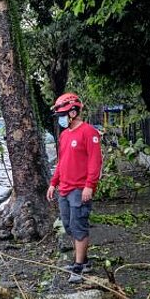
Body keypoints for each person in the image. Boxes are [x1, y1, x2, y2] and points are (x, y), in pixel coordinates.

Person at [46, 93, 103, 284]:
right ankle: (83, 260)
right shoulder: (64, 135)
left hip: (80, 189)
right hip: (65, 188)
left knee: (79, 226)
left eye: (62, 114)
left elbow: (95, 162)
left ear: (73, 112)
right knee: (69, 225)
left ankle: (78, 267)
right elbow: (62, 162)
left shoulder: (89, 133)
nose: (60, 119)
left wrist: (89, 186)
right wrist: (54, 183)